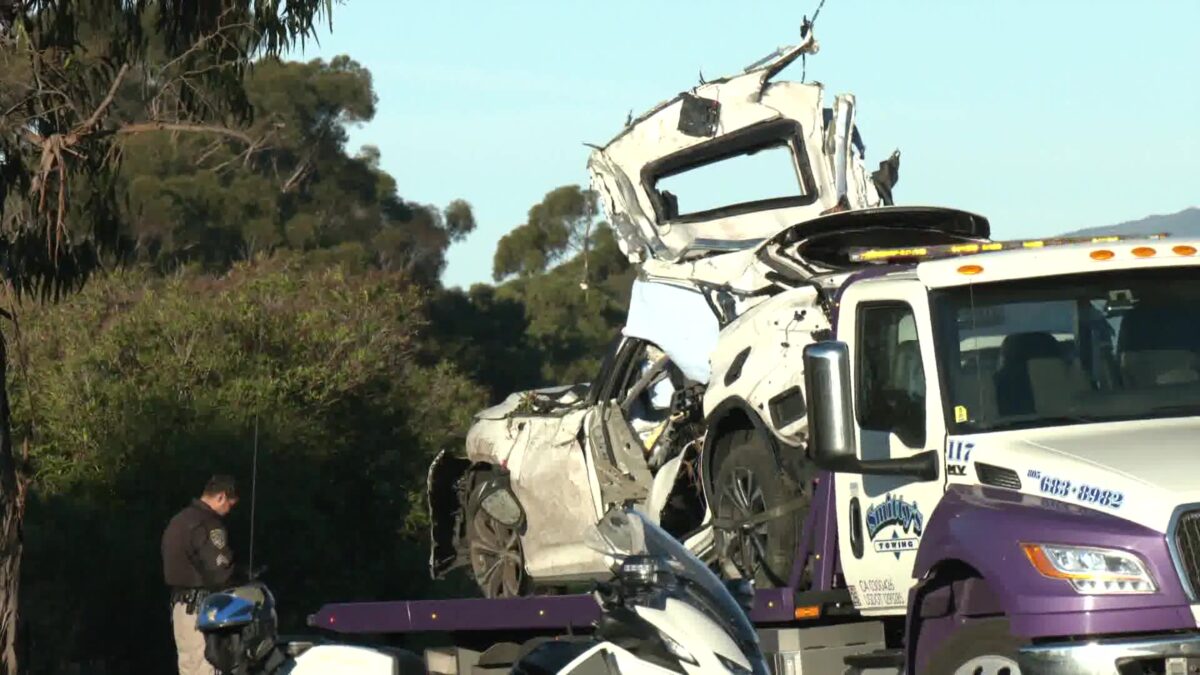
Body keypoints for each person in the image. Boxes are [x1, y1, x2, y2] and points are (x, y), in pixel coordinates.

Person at [162, 475, 239, 675]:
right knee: (206, 668)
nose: (229, 511)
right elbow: (220, 571)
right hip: (202, 611)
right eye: (230, 504)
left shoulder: (179, 520)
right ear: (221, 497)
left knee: (189, 667)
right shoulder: (208, 524)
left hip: (180, 608)